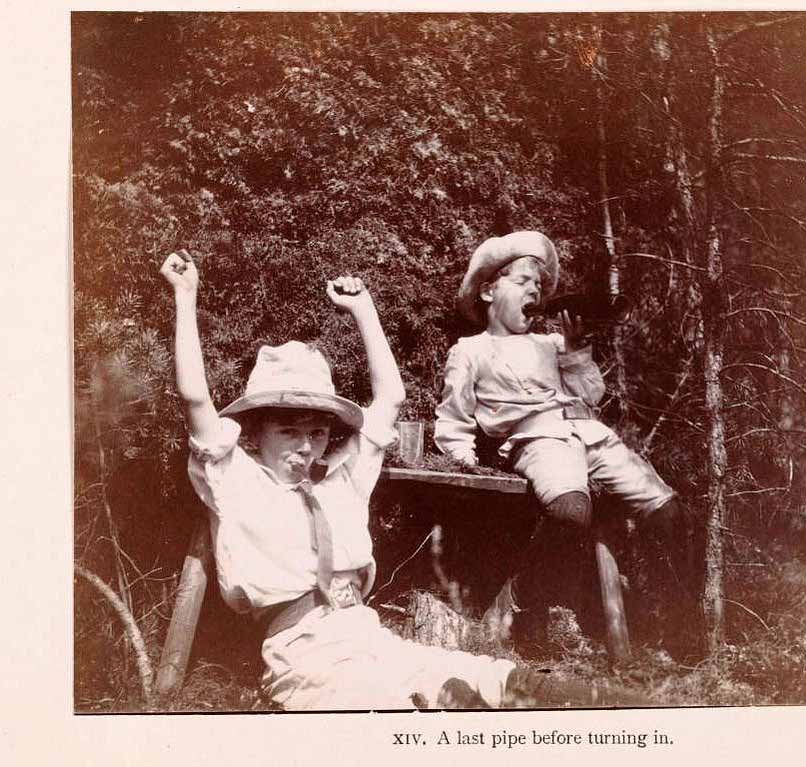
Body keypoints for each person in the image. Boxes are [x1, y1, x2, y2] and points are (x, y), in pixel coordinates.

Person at [161, 248, 640, 710]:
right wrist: (186, 298)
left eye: (317, 432)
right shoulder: (237, 482)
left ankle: (615, 707)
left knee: (491, 679)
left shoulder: (340, 481)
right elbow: (196, 401)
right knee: (400, 706)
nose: (306, 446)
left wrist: (364, 310)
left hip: (368, 633)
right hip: (305, 654)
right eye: (288, 432)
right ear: (258, 434)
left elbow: (389, 398)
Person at [434, 231, 706, 660]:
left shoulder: (553, 344)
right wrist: (464, 462)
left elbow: (591, 394)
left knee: (671, 513)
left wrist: (578, 351)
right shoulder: (471, 350)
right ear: (488, 290)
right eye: (523, 281)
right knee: (570, 513)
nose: (534, 292)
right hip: (539, 440)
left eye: (539, 287)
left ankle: (681, 631)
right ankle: (527, 607)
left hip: (592, 435)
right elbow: (454, 418)